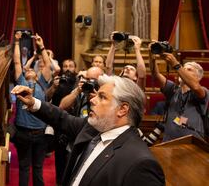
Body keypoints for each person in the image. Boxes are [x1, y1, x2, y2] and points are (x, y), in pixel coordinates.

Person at [11, 75, 165, 186]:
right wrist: (33, 102)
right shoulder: (93, 128)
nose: (92, 99)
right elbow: (62, 118)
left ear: (122, 109)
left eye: (102, 97)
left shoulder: (141, 164)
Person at [12, 30, 51, 186]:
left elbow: (48, 64)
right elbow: (16, 62)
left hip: (40, 133)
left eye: (31, 69)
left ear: (37, 73)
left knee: (38, 168)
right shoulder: (21, 80)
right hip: (23, 132)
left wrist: (41, 46)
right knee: (24, 168)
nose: (28, 69)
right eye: (26, 69)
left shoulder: (43, 82)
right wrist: (16, 42)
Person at [149, 47, 209, 142]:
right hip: (169, 143)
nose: (182, 72)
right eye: (183, 69)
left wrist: (176, 65)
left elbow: (196, 87)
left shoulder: (203, 91)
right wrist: (152, 56)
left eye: (188, 70)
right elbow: (155, 74)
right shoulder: (173, 89)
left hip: (193, 145)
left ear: (198, 77)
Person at [45, 58, 78, 186]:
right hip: (59, 125)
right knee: (60, 158)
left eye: (70, 66)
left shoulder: (78, 82)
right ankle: (59, 182)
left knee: (73, 159)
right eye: (65, 66)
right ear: (62, 68)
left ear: (75, 68)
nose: (68, 68)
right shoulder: (57, 81)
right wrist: (53, 87)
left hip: (75, 124)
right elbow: (46, 98)